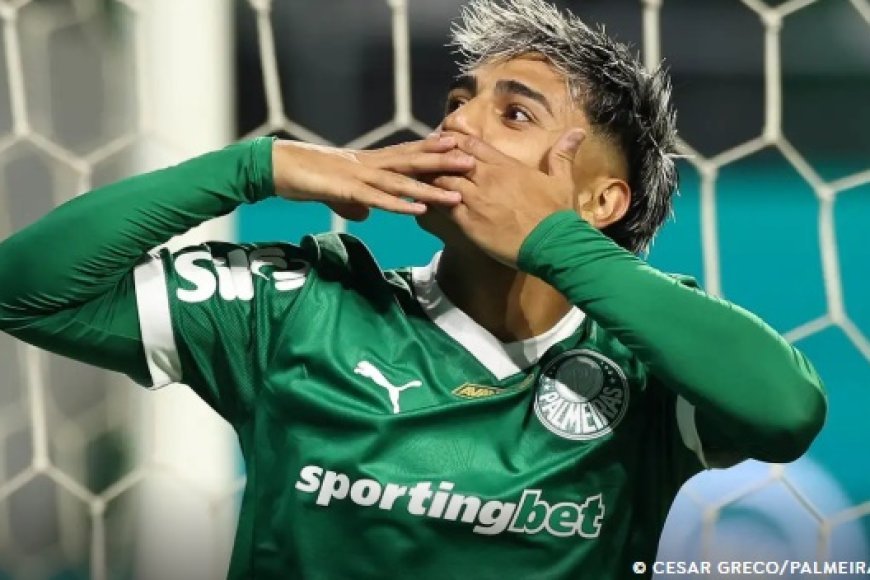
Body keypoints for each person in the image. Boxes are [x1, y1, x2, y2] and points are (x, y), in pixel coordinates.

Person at [0, 0, 826, 578]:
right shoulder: (303, 303)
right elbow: (25, 290)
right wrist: (256, 166)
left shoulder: (645, 360)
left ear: (601, 202)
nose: (457, 123)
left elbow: (786, 411)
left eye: (514, 114)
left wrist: (549, 242)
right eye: (458, 102)